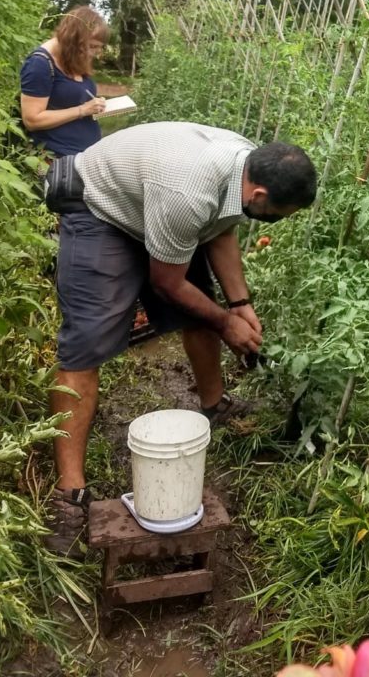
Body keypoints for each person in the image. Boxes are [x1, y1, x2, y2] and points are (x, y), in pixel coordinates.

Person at [44, 121, 317, 556]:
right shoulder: (190, 192)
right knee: (85, 345)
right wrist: (227, 325)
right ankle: (69, 494)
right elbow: (167, 282)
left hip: (158, 205)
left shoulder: (243, 167)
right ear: (260, 196)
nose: (279, 223)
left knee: (202, 310)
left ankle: (214, 405)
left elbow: (221, 231)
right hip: (102, 207)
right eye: (280, 216)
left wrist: (240, 303)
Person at [20, 6, 109, 157]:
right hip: (59, 160)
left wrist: (95, 106)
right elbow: (32, 120)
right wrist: (83, 110)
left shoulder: (72, 57)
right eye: (92, 46)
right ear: (73, 40)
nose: (95, 53)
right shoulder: (39, 64)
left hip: (86, 154)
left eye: (99, 48)